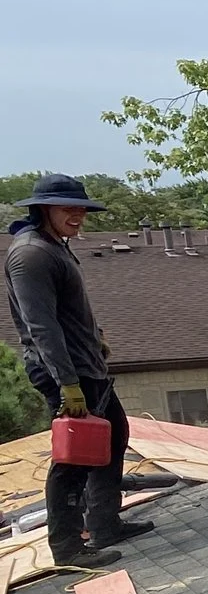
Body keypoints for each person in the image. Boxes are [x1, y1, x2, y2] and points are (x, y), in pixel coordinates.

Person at [6, 175, 150, 565]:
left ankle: (104, 524)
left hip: (86, 366)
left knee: (114, 435)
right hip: (64, 372)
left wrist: (95, 336)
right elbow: (41, 325)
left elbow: (70, 310)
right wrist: (68, 384)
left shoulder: (56, 246)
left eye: (81, 208)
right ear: (43, 209)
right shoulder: (31, 254)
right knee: (74, 459)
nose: (77, 215)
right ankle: (67, 547)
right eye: (67, 208)